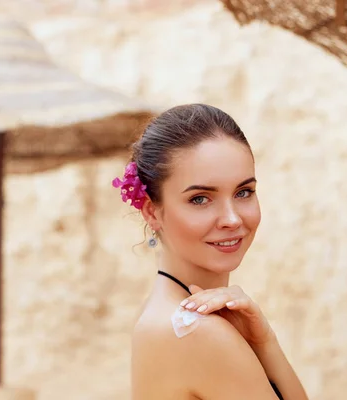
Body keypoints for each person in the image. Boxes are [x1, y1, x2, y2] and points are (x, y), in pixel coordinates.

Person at [114, 104, 308, 399]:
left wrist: (264, 341)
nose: (232, 219)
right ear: (152, 212)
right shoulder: (197, 332)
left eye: (243, 192)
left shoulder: (161, 312)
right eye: (200, 199)